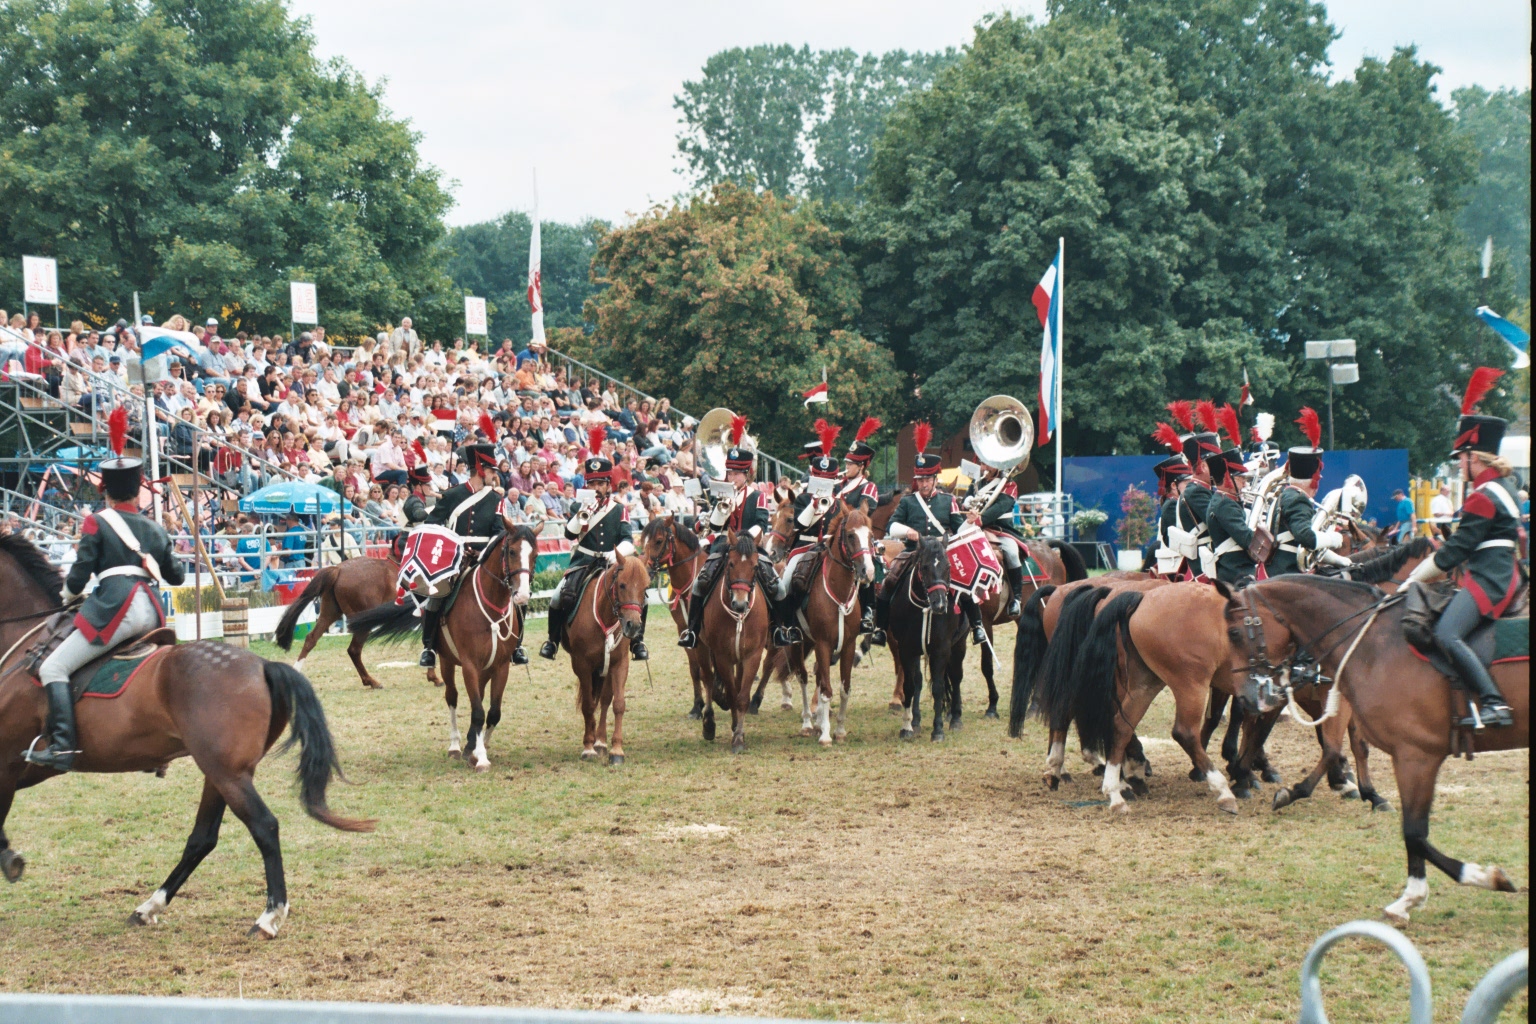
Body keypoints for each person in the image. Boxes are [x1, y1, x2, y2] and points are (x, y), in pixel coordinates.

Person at [29, 408, 185, 771]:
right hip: (152, 608)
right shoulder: (155, 528)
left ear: (105, 490)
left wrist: (67, 597)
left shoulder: (97, 522)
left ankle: (63, 747)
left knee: (53, 667)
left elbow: (81, 574)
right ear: (138, 486)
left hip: (118, 609)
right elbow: (176, 577)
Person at [1406, 369, 1519, 729]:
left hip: (1490, 578)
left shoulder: (1484, 497)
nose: (1458, 464)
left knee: (1446, 634)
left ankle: (1494, 702)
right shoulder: (1506, 487)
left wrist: (1414, 578)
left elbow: (1455, 552)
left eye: (1461, 457)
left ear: (1475, 456)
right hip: (1501, 569)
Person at [678, 419, 799, 650]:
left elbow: (762, 523)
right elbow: (714, 529)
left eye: (736, 474)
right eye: (729, 473)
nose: (731, 478)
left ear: (746, 474)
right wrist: (722, 508)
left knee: (776, 586)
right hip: (723, 545)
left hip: (751, 546)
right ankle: (692, 631)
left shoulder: (757, 496)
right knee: (699, 582)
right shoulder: (720, 494)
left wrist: (744, 538)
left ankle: (779, 629)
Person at [870, 423, 985, 647]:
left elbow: (958, 529)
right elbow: (891, 526)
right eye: (920, 479)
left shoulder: (948, 500)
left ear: (935, 479)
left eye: (927, 479)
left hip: (942, 552)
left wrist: (969, 522)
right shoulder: (907, 501)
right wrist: (908, 532)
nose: (923, 483)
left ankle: (977, 626)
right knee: (888, 584)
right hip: (913, 552)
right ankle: (881, 629)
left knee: (964, 582)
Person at [540, 428, 648, 661]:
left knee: (641, 596)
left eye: (600, 483)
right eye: (592, 483)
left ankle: (637, 642)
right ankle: (552, 641)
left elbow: (628, 539)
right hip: (584, 561)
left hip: (612, 562)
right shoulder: (578, 507)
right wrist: (582, 515)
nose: (596, 488)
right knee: (558, 596)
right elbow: (569, 535)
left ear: (608, 484)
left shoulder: (619, 509)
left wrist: (615, 553)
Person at [415, 431, 506, 667]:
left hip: (485, 558)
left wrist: (484, 552)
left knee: (513, 594)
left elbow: (499, 531)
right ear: (480, 470)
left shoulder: (496, 499)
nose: (495, 476)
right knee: (436, 597)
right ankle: (430, 647)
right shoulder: (453, 495)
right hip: (455, 559)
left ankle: (515, 645)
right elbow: (432, 526)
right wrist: (453, 547)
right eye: (491, 471)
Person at [1264, 408, 1349, 576]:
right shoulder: (1298, 500)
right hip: (1286, 572)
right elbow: (1306, 537)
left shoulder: (1286, 494)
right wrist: (1335, 540)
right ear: (1314, 480)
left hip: (1278, 568)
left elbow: (1305, 546)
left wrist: (1339, 560)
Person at [963, 460, 1029, 617]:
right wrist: (967, 502)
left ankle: (1017, 599)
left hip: (1001, 530)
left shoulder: (1009, 485)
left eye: (989, 465)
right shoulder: (977, 482)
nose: (985, 468)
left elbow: (1000, 507)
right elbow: (967, 498)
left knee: (1012, 552)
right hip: (976, 529)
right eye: (983, 465)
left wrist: (980, 519)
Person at [1203, 439, 1258, 585]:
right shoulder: (1225, 505)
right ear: (1228, 479)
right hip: (1236, 571)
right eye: (1241, 479)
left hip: (1234, 567)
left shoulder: (1222, 500)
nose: (1245, 484)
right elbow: (1247, 539)